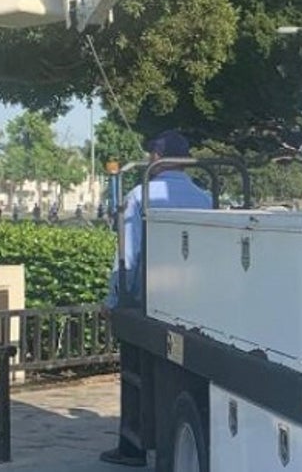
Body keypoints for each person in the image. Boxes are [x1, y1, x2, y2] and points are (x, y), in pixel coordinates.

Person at [100, 130, 212, 467]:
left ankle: (132, 447)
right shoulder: (206, 196)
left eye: (152, 155)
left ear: (157, 158)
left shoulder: (139, 194)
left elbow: (129, 255)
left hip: (152, 298)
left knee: (136, 373)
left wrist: (115, 298)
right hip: (199, 302)